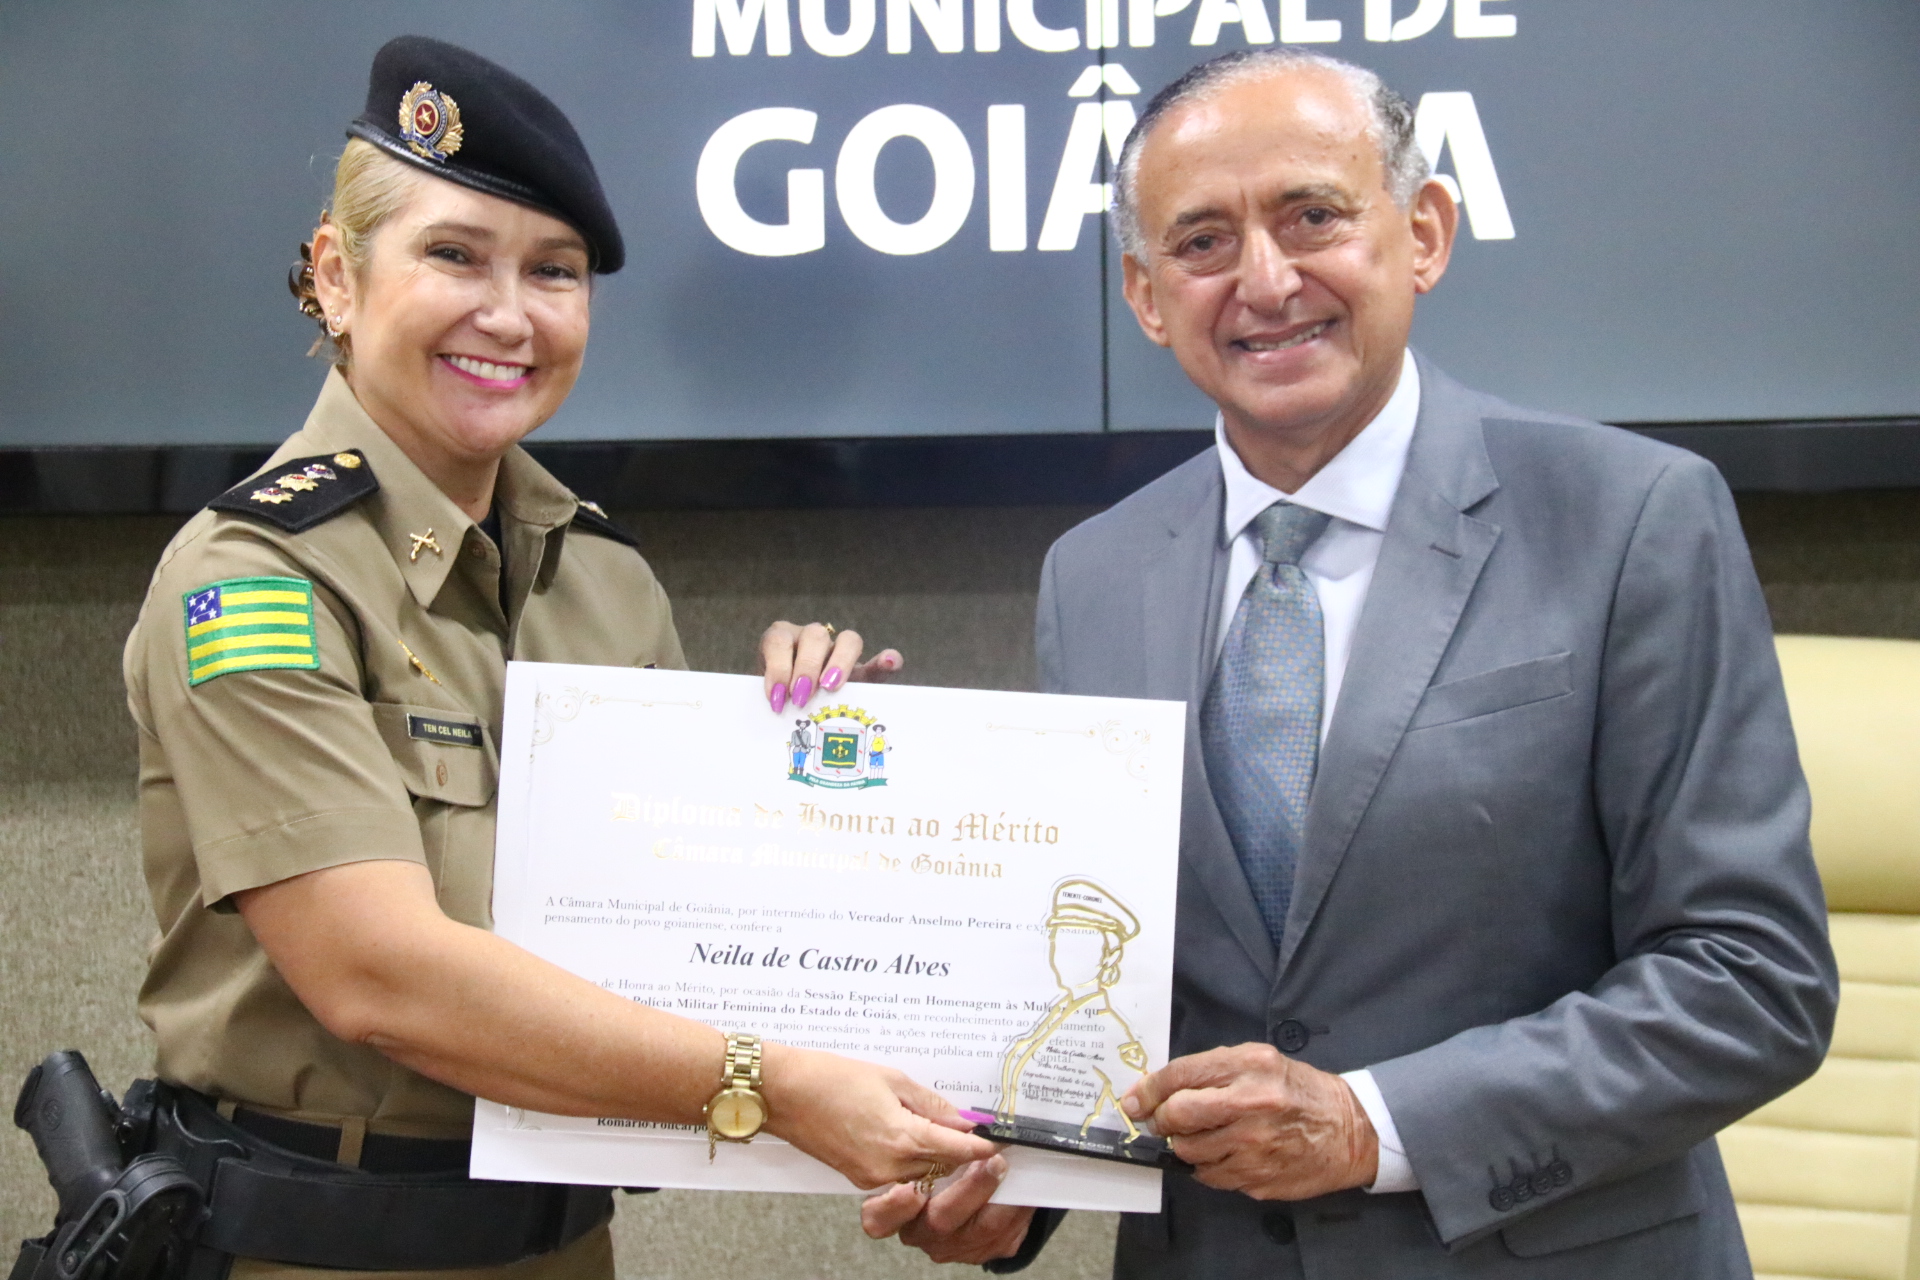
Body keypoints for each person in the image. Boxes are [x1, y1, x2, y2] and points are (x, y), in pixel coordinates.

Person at [865, 48, 1836, 1276]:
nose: (1267, 280)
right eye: (1203, 241)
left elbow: (1751, 977)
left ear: (1422, 233)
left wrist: (1372, 1124)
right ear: (1148, 296)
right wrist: (1014, 1185)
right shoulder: (1095, 575)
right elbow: (1129, 983)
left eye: (1312, 216)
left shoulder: (1630, 516)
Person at [122, 35, 992, 1280]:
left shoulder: (603, 579)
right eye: (454, 255)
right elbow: (376, 975)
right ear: (338, 276)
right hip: (315, 1248)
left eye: (555, 272)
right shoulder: (257, 577)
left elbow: (694, 925)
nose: (509, 315)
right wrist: (774, 1084)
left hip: (564, 1242)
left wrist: (809, 769)